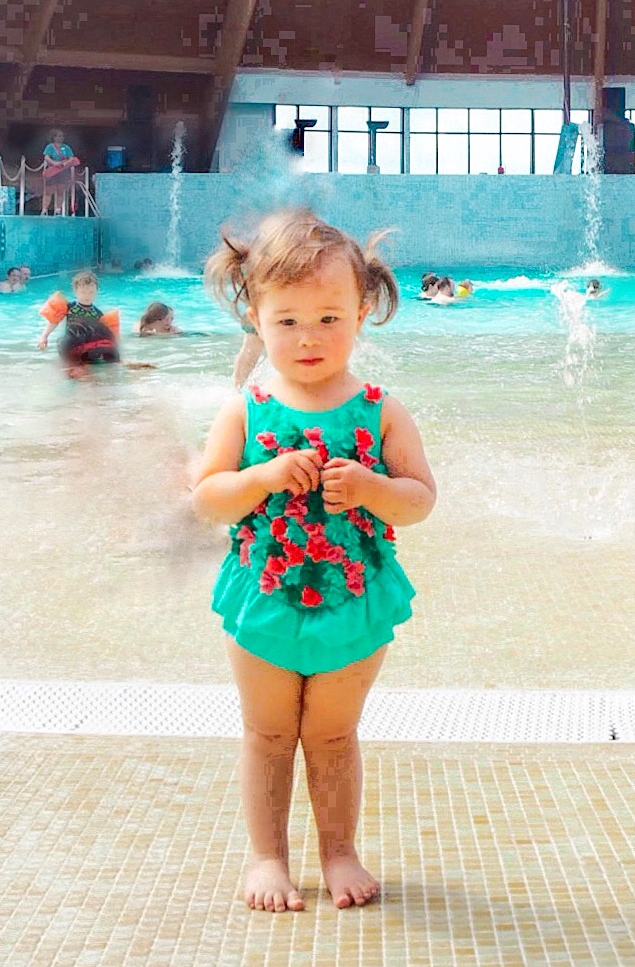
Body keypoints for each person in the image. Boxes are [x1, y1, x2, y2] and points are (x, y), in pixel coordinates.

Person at [190, 211, 436, 911]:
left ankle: (339, 851)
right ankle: (268, 857)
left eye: (329, 318)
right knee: (268, 732)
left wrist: (373, 488)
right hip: (263, 593)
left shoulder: (383, 411)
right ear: (255, 316)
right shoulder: (245, 410)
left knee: (331, 733)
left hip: (354, 594)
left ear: (363, 312)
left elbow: (419, 500)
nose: (308, 338)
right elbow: (208, 499)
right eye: (288, 320)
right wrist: (262, 479)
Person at [39, 270, 120, 353]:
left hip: (88, 347)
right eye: (83, 292)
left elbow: (106, 336)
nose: (87, 296)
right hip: (71, 345)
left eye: (91, 292)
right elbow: (54, 321)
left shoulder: (98, 314)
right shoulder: (69, 308)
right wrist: (44, 336)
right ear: (75, 291)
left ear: (96, 292)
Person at [39, 130, 79, 216]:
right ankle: (44, 209)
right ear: (54, 137)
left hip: (63, 171)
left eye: (62, 136)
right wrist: (54, 163)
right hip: (52, 171)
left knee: (60, 191)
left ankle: (58, 209)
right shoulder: (50, 147)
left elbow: (71, 158)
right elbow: (46, 157)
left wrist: (66, 163)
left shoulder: (67, 147)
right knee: (48, 191)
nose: (61, 138)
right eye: (59, 136)